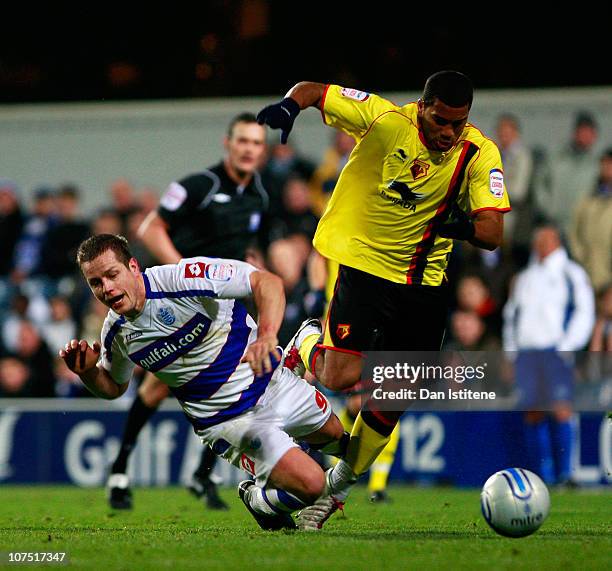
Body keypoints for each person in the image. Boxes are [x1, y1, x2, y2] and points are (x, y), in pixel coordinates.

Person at [257, 71, 510, 528]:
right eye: (441, 121)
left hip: (424, 285)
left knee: (399, 390)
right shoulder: (383, 119)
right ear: (422, 106)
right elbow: (316, 91)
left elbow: (493, 233)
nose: (449, 132)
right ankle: (307, 345)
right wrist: (289, 106)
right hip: (365, 269)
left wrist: (461, 225)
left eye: (460, 122)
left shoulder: (479, 152)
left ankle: (336, 488)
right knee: (337, 377)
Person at [60, 234, 346, 531]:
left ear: (133, 266)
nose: (106, 288)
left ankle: (290, 357)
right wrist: (87, 373)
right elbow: (113, 387)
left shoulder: (183, 278)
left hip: (270, 381)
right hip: (227, 421)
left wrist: (267, 337)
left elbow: (268, 283)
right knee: (313, 486)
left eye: (112, 274)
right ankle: (258, 501)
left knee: (340, 440)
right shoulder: (115, 332)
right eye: (96, 283)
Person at [106, 112, 271, 510]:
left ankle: (194, 473)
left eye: (257, 143)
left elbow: (242, 248)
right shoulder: (199, 185)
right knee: (161, 384)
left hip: (224, 298)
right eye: (243, 141)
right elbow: (150, 229)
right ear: (227, 143)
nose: (249, 149)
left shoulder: (258, 197)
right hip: (185, 296)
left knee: (238, 380)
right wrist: (184, 278)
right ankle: (123, 469)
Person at [503, 224, 595, 485]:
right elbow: (512, 315)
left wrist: (568, 345)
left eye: (546, 239)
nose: (540, 244)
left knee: (561, 408)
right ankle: (543, 475)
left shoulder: (571, 273)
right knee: (533, 412)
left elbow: (584, 312)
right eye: (537, 240)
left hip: (555, 351)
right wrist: (511, 353)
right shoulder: (525, 277)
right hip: (527, 353)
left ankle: (566, 474)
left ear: (557, 241)